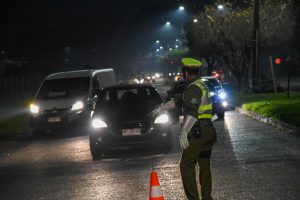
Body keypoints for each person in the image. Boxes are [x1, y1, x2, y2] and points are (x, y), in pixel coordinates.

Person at [151, 57, 217, 200]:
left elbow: (192, 112)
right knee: (204, 165)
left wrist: (184, 131)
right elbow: (179, 100)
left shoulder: (193, 88)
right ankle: (207, 198)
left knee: (186, 165)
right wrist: (162, 108)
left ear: (186, 72)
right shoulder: (201, 85)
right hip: (209, 131)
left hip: (198, 132)